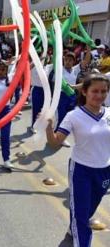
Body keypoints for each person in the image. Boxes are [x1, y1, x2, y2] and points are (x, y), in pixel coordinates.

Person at [45, 73, 110, 247]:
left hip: (104, 170)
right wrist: (48, 128)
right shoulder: (74, 116)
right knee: (82, 218)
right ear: (85, 92)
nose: (99, 95)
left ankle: (71, 229)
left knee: (88, 209)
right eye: (95, 91)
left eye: (104, 91)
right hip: (81, 170)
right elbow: (55, 142)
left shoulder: (109, 114)